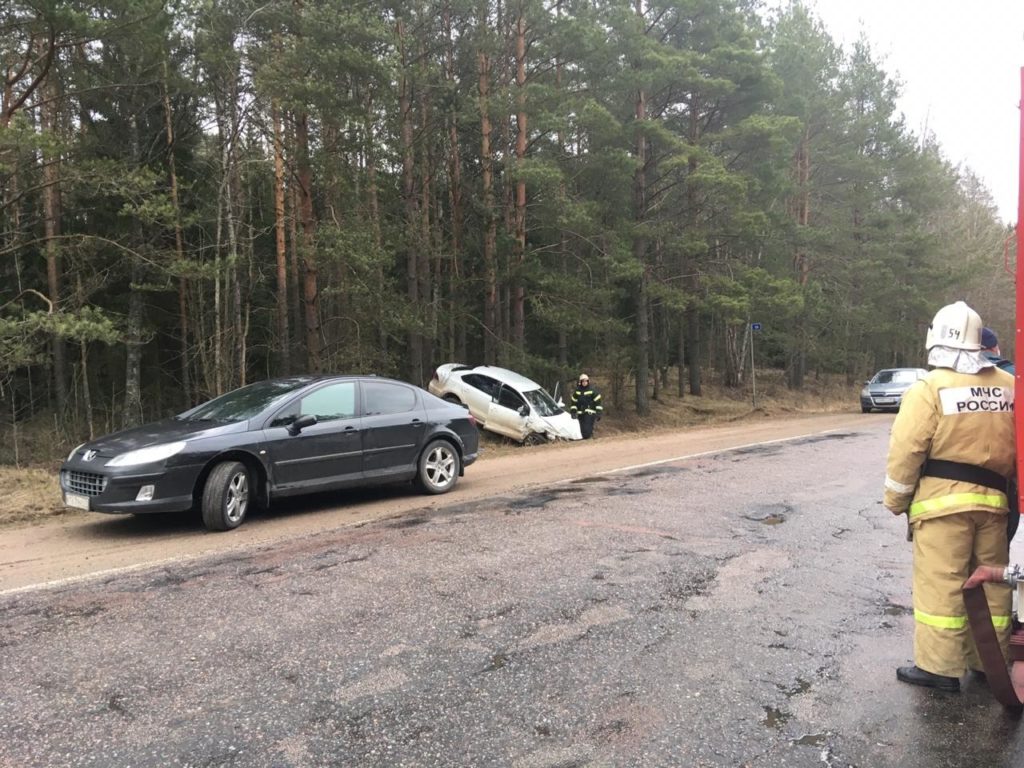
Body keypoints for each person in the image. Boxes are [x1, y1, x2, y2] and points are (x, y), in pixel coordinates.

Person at [883, 300, 1015, 692]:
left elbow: (907, 449)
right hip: (995, 505)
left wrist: (895, 500)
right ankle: (988, 664)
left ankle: (938, 668)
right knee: (991, 586)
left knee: (942, 584)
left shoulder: (930, 388)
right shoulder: (1010, 387)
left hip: (941, 508)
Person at [980, 327, 1020, 544]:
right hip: (1006, 478)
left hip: (954, 483)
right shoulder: (1015, 376)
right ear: (995, 348)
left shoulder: (951, 377)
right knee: (995, 552)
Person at [569, 373, 603, 439]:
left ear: (588, 381)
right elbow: (573, 403)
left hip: (589, 413)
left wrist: (599, 413)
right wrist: (573, 412)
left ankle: (589, 437)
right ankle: (588, 439)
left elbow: (598, 402)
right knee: (581, 431)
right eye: (583, 381)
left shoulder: (592, 391)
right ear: (580, 382)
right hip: (580, 414)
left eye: (586, 381)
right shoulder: (577, 391)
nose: (584, 382)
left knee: (586, 432)